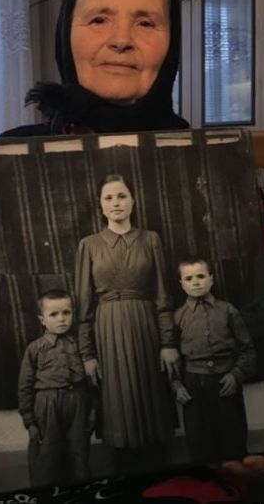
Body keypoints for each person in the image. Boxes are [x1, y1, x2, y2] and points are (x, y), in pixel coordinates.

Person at [0, 0, 264, 498]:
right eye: (99, 18)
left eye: (145, 21)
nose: (121, 39)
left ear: (171, 42)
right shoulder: (3, 157)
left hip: (192, 459)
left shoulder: (214, 161)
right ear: (66, 33)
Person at [75, 173, 177, 457]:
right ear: (101, 205)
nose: (116, 203)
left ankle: (158, 461)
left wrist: (168, 343)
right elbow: (84, 303)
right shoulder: (89, 245)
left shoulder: (151, 239)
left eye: (122, 196)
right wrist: (87, 354)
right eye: (108, 198)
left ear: (133, 201)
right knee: (117, 395)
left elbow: (162, 295)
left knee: (150, 392)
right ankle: (123, 461)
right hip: (107, 328)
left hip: (145, 325)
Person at [172, 257, 256, 465]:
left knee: (233, 440)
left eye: (201, 276)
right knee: (199, 444)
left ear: (211, 279)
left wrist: (236, 375)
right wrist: (176, 385)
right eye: (189, 278)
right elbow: (172, 357)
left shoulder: (228, 310)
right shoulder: (178, 317)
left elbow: (247, 349)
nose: (196, 282)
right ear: (181, 284)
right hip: (193, 386)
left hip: (225, 382)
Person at [17, 289, 91, 487]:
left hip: (77, 401)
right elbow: (25, 385)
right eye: (54, 314)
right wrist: (29, 419)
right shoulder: (35, 348)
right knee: (48, 453)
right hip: (47, 403)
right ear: (42, 320)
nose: (61, 319)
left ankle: (80, 490)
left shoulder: (80, 344)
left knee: (79, 451)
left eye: (66, 312)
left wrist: (92, 408)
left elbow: (90, 379)